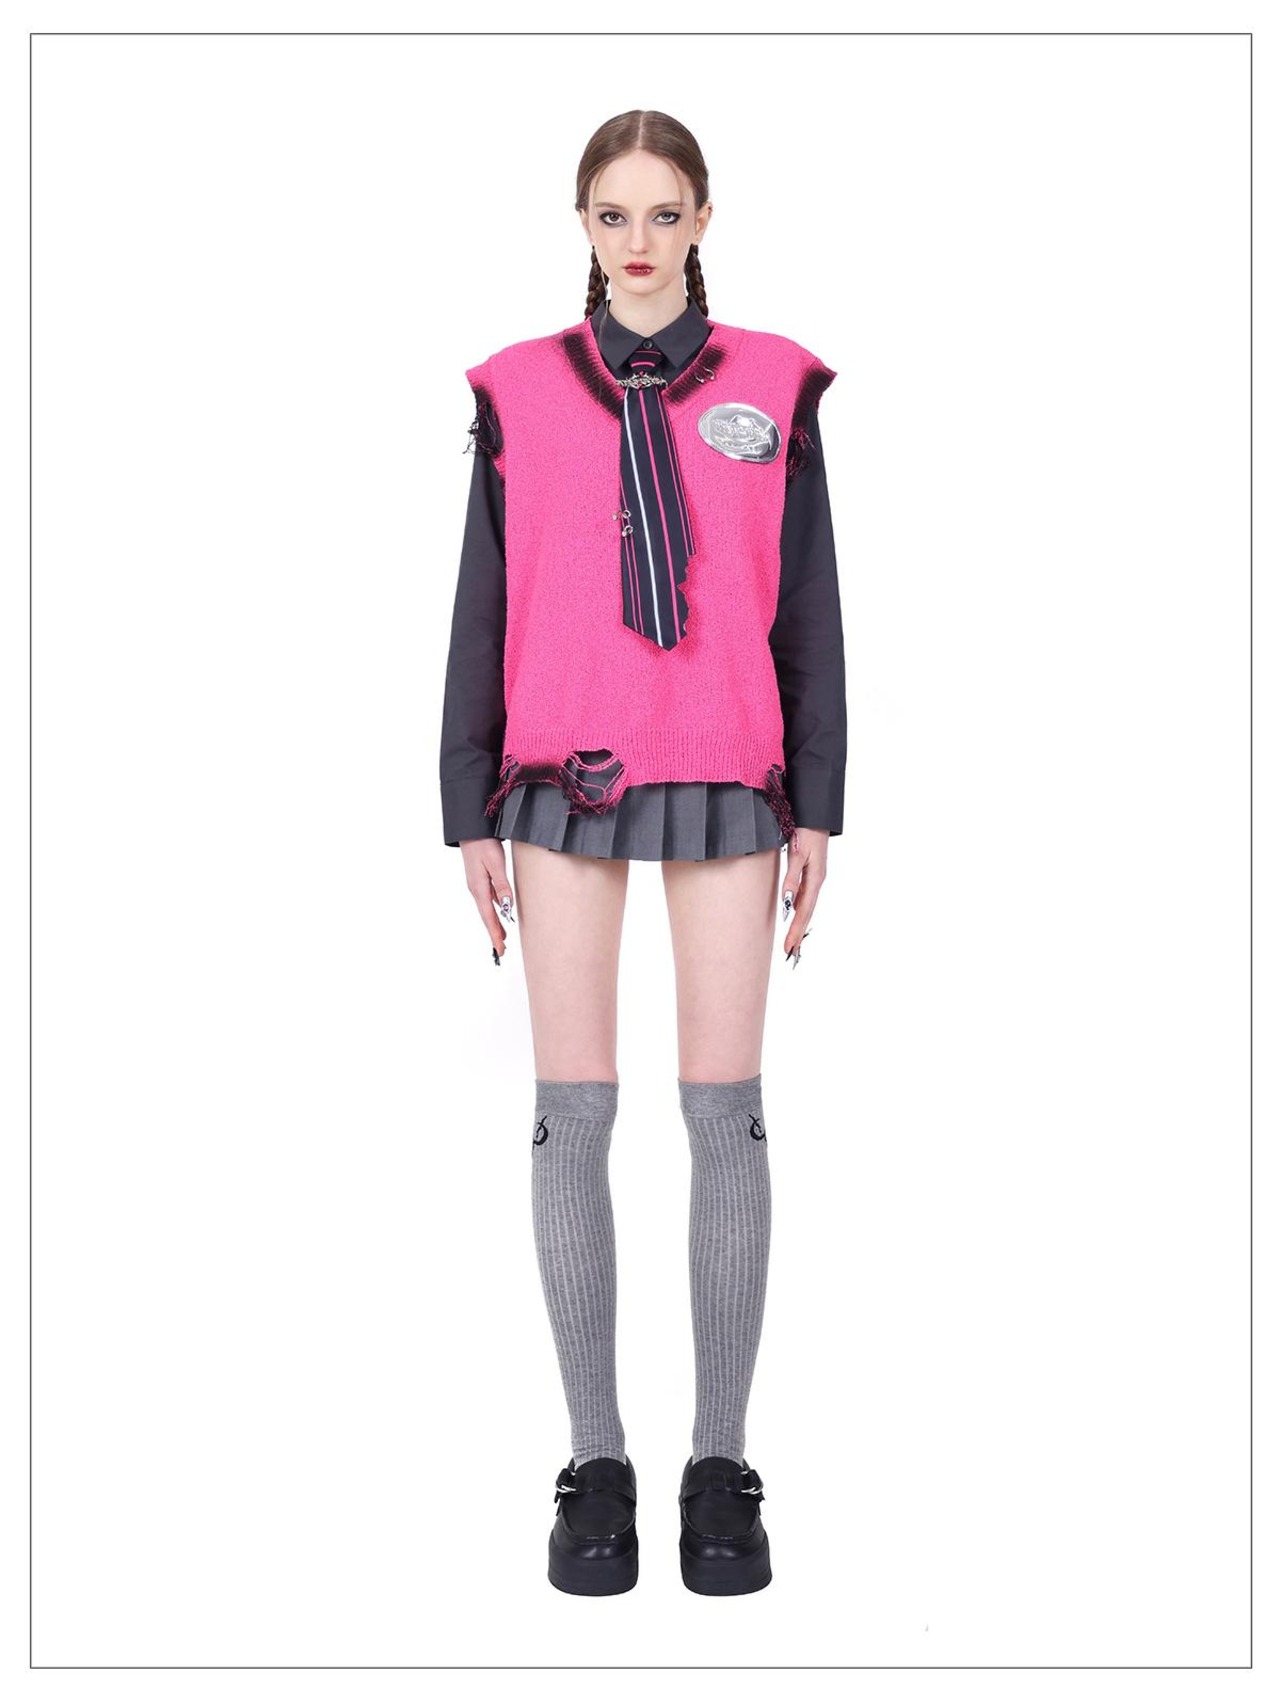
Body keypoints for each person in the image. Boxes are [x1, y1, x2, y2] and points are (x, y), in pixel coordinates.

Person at [439, 110, 846, 1597]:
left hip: (729, 762)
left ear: (703, 219)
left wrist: (820, 801)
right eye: (612, 214)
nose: (638, 241)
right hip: (562, 774)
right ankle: (595, 1462)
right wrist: (465, 801)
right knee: (576, 1113)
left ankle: (719, 1467)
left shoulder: (774, 386)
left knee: (725, 1115)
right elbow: (485, 597)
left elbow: (810, 602)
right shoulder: (518, 390)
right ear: (583, 225)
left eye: (663, 213)